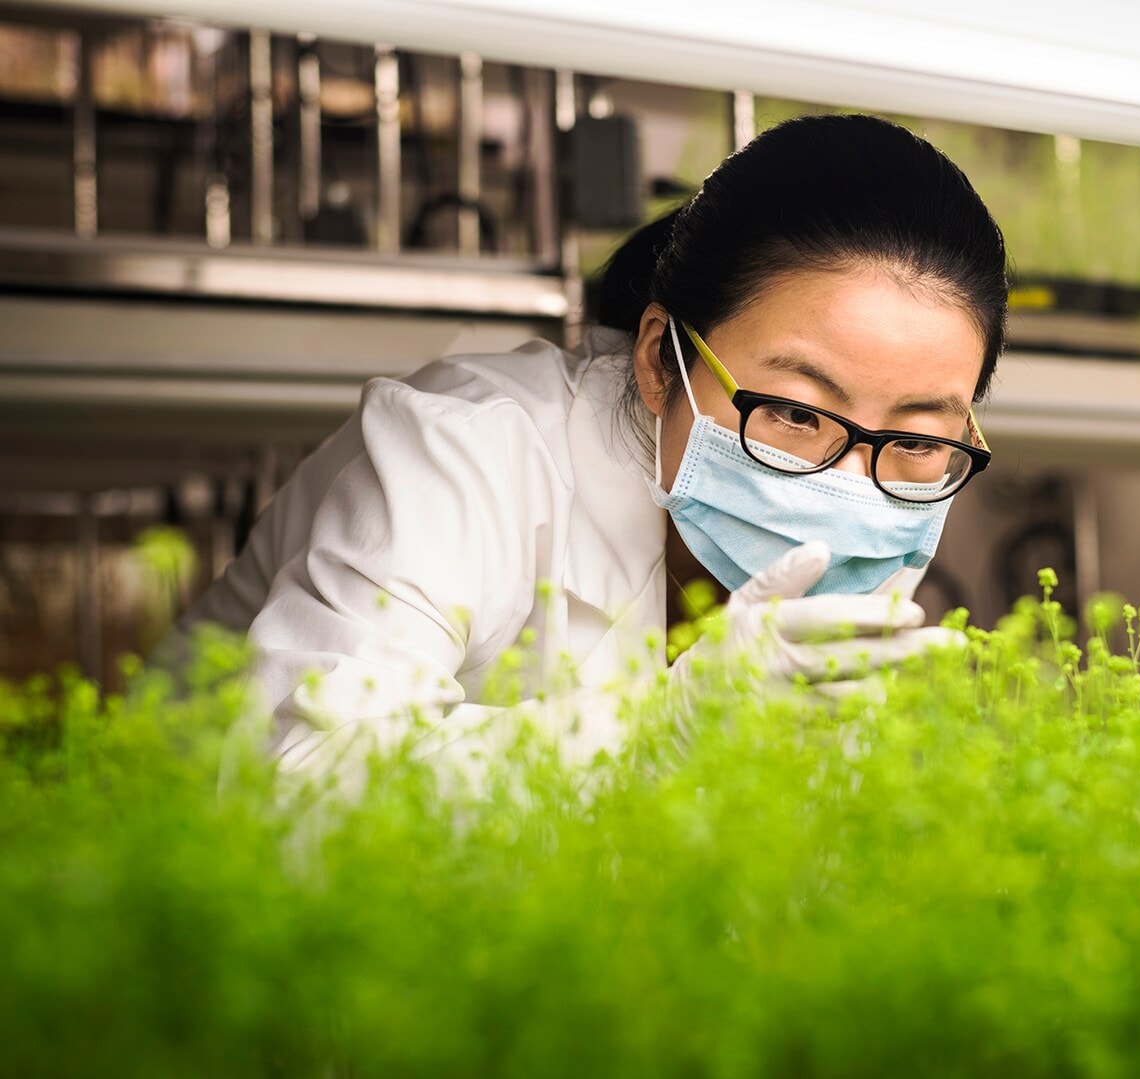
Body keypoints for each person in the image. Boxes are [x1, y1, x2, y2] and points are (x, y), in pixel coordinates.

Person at [177, 113, 1009, 783]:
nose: (853, 487)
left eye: (915, 437)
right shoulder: (465, 452)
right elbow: (295, 785)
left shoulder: (887, 532)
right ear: (659, 359)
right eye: (796, 413)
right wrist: (658, 735)